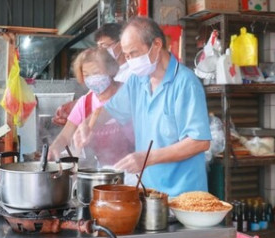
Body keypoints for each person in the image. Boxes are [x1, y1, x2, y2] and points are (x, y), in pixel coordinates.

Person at [94, 16, 211, 197]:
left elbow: (199, 142)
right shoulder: (137, 80)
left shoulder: (185, 83)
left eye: (133, 53)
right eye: (126, 55)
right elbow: (109, 110)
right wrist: (85, 126)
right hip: (150, 192)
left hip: (184, 195)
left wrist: (146, 158)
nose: (129, 60)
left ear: (156, 45)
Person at [48, 47, 134, 166]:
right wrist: (54, 147)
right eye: (86, 75)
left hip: (136, 168)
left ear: (110, 70)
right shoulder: (85, 103)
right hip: (104, 170)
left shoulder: (127, 93)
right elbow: (65, 136)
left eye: (96, 73)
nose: (92, 79)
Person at [52, 23, 130, 126]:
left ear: (121, 45)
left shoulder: (132, 73)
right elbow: (94, 98)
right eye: (99, 47)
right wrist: (72, 108)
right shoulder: (100, 76)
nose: (101, 51)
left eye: (105, 46)